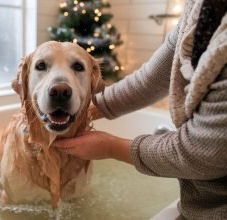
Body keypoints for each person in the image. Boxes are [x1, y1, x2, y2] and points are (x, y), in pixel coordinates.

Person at [53, 0, 227, 219]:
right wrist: (94, 107)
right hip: (198, 204)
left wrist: (109, 148)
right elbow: (151, 79)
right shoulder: (199, 6)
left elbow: (200, 152)